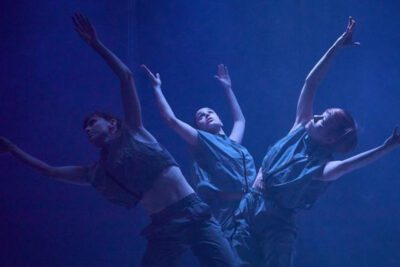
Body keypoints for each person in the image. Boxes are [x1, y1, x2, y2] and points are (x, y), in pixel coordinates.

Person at [0, 13, 238, 267]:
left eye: (93, 123)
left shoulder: (134, 131)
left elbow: (126, 76)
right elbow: (51, 171)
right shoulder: (98, 171)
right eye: (86, 129)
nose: (88, 130)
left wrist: (96, 44)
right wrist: (13, 149)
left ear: (112, 123)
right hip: (163, 226)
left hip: (193, 212)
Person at [232, 17, 400, 267]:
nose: (317, 115)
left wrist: (386, 148)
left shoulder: (321, 167)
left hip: (277, 224)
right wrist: (337, 45)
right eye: (322, 112)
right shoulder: (300, 127)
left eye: (324, 119)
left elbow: (347, 166)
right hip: (249, 209)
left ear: (331, 137)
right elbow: (311, 82)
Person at [142, 64, 256, 256]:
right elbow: (171, 119)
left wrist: (227, 88)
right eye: (200, 116)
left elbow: (240, 120)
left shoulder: (233, 143)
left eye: (209, 112)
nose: (206, 115)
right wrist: (156, 88)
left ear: (219, 118)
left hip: (250, 208)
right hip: (225, 212)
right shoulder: (201, 141)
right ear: (199, 127)